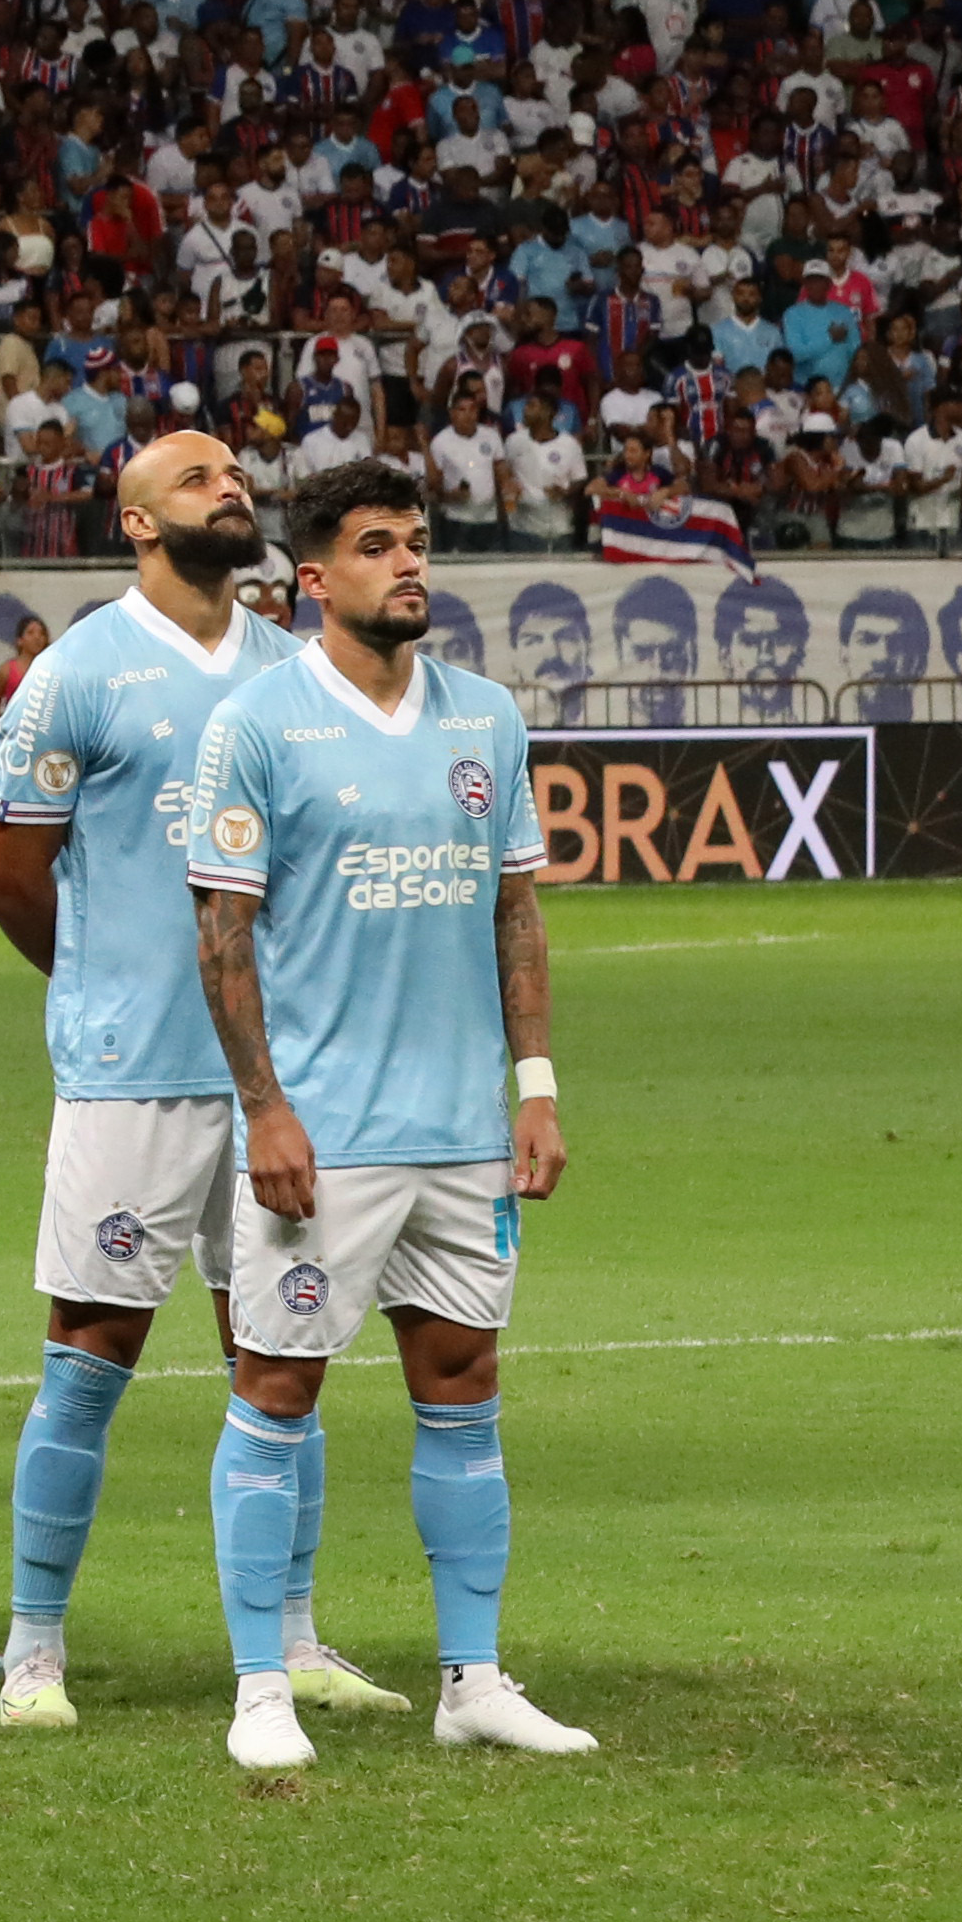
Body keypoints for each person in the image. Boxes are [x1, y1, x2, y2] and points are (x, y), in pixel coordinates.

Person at [0, 433, 393, 1732]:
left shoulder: (297, 669)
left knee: (282, 1354)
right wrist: (101, 989)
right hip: (132, 1077)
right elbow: (7, 874)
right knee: (90, 1355)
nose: (234, 486)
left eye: (237, 473)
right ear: (138, 517)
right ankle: (34, 1647)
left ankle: (296, 1637)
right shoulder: (76, 675)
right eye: (202, 474)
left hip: (278, 1081)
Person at [190, 460, 597, 1770]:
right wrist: (263, 1110)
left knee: (464, 1391)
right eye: (378, 546)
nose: (410, 563)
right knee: (276, 1389)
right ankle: (262, 1687)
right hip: (326, 1133)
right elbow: (223, 930)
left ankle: (472, 1676)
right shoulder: (258, 723)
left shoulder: (484, 717)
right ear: (315, 580)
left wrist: (533, 1090)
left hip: (462, 1132)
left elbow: (516, 910)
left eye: (418, 541)